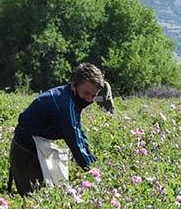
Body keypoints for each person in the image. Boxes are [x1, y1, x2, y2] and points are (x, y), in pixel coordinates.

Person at [9, 63, 107, 195]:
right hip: (25, 152)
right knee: (35, 199)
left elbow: (78, 132)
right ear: (74, 85)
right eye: (86, 93)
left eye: (93, 95)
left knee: (41, 196)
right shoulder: (64, 104)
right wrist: (93, 171)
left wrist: (93, 161)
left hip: (33, 147)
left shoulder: (68, 96)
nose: (89, 99)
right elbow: (75, 141)